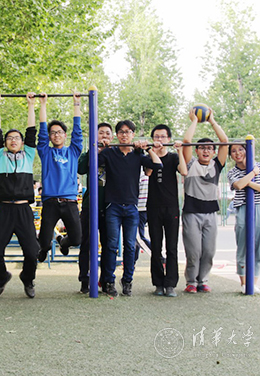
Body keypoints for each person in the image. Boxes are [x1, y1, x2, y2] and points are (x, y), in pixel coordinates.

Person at [98, 120, 163, 297]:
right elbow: (92, 164)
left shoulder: (137, 155)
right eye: (121, 132)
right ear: (117, 135)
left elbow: (158, 165)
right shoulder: (110, 153)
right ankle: (109, 281)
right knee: (111, 245)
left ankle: (127, 280)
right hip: (113, 206)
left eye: (128, 132)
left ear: (133, 135)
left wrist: (148, 148)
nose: (124, 135)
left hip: (132, 207)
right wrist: (102, 148)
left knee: (130, 245)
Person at [0, 92, 40, 298]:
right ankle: (1, 278)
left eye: (17, 138)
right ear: (5, 143)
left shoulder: (28, 155)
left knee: (32, 251)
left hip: (24, 209)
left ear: (22, 142)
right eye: (9, 138)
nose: (13, 140)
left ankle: (27, 278)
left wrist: (31, 105)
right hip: (4, 210)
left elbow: (31, 131)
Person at [181, 106, 229, 294]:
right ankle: (191, 281)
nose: (206, 151)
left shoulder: (216, 165)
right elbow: (186, 141)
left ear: (213, 151)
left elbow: (224, 141)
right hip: (192, 213)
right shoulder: (191, 164)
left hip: (210, 214)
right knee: (194, 252)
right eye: (202, 148)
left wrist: (212, 120)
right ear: (197, 151)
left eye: (209, 148)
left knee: (209, 251)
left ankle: (203, 280)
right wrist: (195, 120)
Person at [36, 93, 83, 263]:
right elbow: (41, 132)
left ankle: (63, 242)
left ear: (65, 135)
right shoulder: (45, 152)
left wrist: (76, 104)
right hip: (50, 202)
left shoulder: (73, 151)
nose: (56, 135)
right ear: (49, 136)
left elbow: (77, 132)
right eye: (53, 133)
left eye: (60, 132)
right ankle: (45, 247)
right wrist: (43, 104)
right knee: (43, 240)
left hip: (69, 201)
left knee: (77, 239)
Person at [146, 124, 187, 298]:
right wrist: (152, 151)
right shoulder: (149, 156)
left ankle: (170, 284)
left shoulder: (173, 157)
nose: (160, 140)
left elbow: (184, 171)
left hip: (171, 207)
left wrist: (179, 151)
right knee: (156, 247)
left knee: (171, 247)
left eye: (163, 137)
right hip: (153, 207)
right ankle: (158, 283)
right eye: (156, 137)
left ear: (168, 139)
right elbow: (148, 172)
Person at [227, 143, 260, 294]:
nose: (237, 153)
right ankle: (243, 283)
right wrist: (253, 173)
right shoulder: (233, 172)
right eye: (233, 151)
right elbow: (239, 185)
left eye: (241, 149)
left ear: (247, 150)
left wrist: (249, 182)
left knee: (259, 245)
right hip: (242, 207)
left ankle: (254, 283)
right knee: (242, 245)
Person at [77, 122, 113, 294]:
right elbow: (80, 169)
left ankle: (105, 280)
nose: (104, 136)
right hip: (90, 205)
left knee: (108, 244)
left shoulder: (114, 154)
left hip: (110, 206)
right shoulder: (90, 153)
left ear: (112, 137)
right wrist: (94, 150)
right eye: (101, 133)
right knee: (86, 243)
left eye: (107, 133)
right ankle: (85, 280)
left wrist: (107, 151)